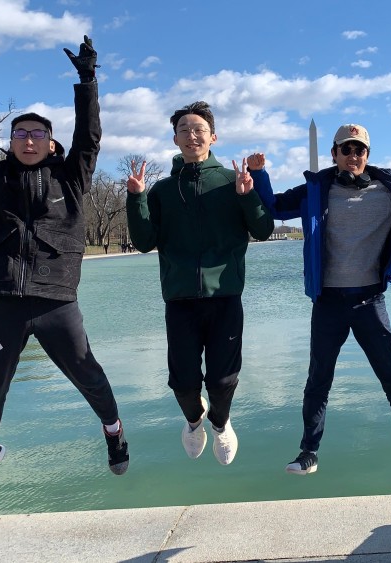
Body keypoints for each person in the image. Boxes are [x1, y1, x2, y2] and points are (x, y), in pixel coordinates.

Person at [0, 36, 130, 506]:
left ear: (52, 143)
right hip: (2, 301)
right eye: (20, 134)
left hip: (55, 299)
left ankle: (114, 432)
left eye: (37, 134)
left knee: (88, 372)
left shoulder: (73, 176)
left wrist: (88, 80)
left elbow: (91, 136)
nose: (28, 139)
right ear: (11, 142)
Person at [250, 124, 391, 475]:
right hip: (328, 301)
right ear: (333, 154)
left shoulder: (390, 189)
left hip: (369, 300)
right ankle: (308, 452)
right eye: (345, 150)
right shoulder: (317, 189)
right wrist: (260, 174)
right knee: (318, 380)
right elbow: (274, 208)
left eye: (359, 150)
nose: (353, 156)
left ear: (367, 155)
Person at [126, 102, 274, 465]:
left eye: (199, 129)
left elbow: (263, 230)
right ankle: (195, 421)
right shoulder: (161, 190)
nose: (192, 135)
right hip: (179, 299)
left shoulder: (230, 181)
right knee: (183, 383)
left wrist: (247, 196)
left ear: (213, 136)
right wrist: (136, 198)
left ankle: (221, 423)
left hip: (225, 296)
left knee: (224, 380)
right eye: (184, 129)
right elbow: (144, 241)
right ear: (175, 138)